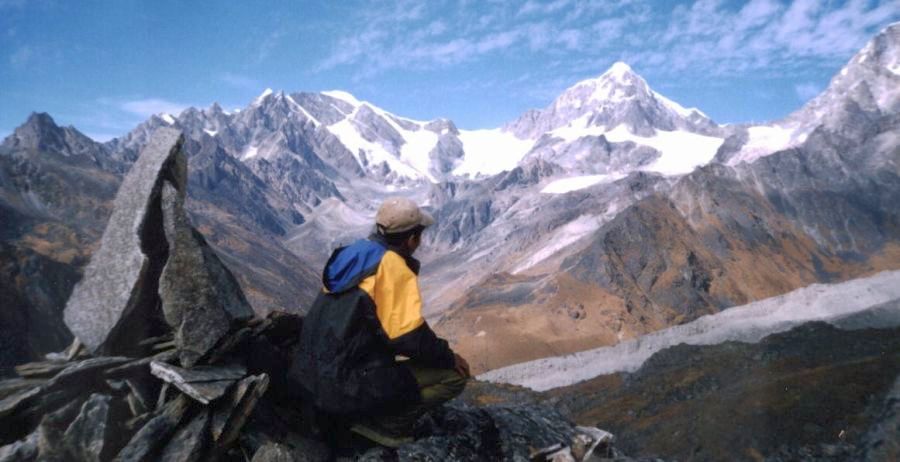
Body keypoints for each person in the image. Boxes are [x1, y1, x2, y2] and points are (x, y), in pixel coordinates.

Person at [290, 197, 470, 448]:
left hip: (308, 376)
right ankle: (385, 426)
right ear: (412, 239)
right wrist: (449, 357)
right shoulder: (393, 267)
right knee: (453, 377)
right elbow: (409, 337)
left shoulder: (353, 253)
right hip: (344, 385)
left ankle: (357, 413)